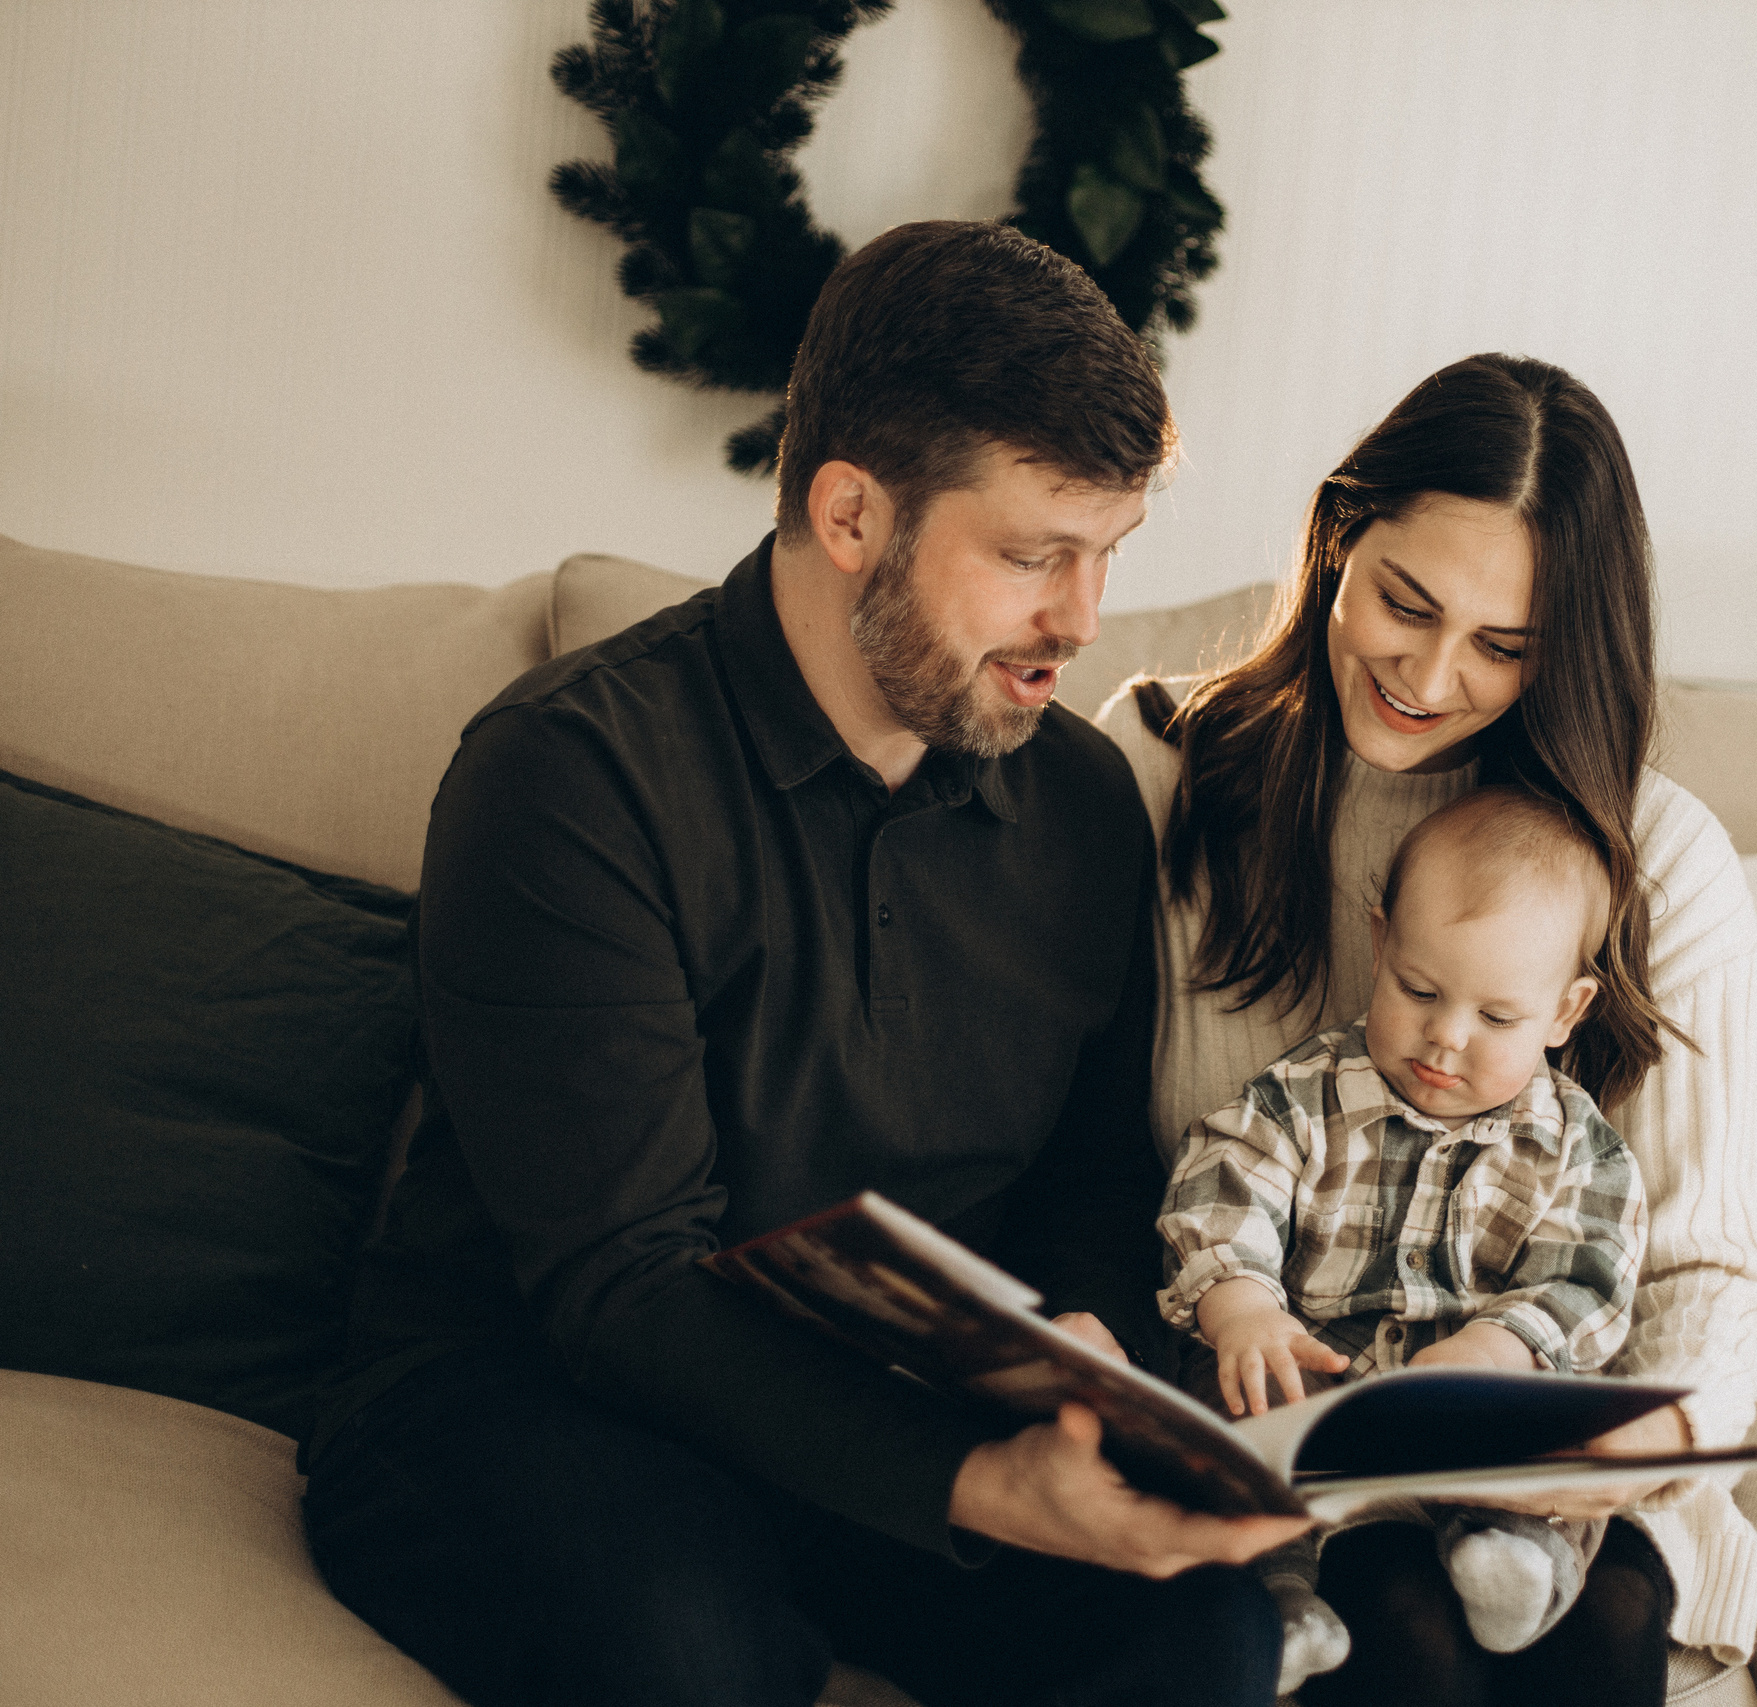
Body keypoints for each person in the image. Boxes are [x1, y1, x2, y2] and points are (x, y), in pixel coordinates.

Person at [300, 221, 1303, 1707]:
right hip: (536, 1391)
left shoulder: (1083, 800)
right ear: (849, 515)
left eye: (1108, 555)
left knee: (1207, 1629)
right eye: (1033, 556)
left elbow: (1094, 1177)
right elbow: (621, 1282)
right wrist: (977, 1482)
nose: (1080, 623)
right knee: (687, 1647)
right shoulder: (570, 775)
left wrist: (1083, 1379)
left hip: (912, 1399)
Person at [1099, 352, 1757, 1706]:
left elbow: (1712, 1270)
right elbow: (1075, 1162)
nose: (1428, 675)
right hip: (1276, 1429)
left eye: (1502, 646)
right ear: (1337, 541)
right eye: (1404, 604)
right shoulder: (1160, 769)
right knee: (1401, 1634)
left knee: (1593, 1624)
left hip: (1544, 1442)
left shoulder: (1655, 859)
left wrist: (1623, 1446)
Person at [1160, 786, 1648, 1690]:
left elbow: (1591, 1278)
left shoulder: (1577, 1147)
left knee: (1568, 1421)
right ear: (1380, 945)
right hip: (1317, 1387)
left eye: (1497, 1017)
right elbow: (1221, 1186)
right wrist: (1245, 1309)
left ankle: (1515, 1553)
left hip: (1476, 1406)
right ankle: (1279, 1600)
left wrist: (1498, 1347)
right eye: (1419, 990)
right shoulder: (1306, 1095)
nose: (1446, 1036)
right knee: (1227, 1393)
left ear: (1567, 1010)